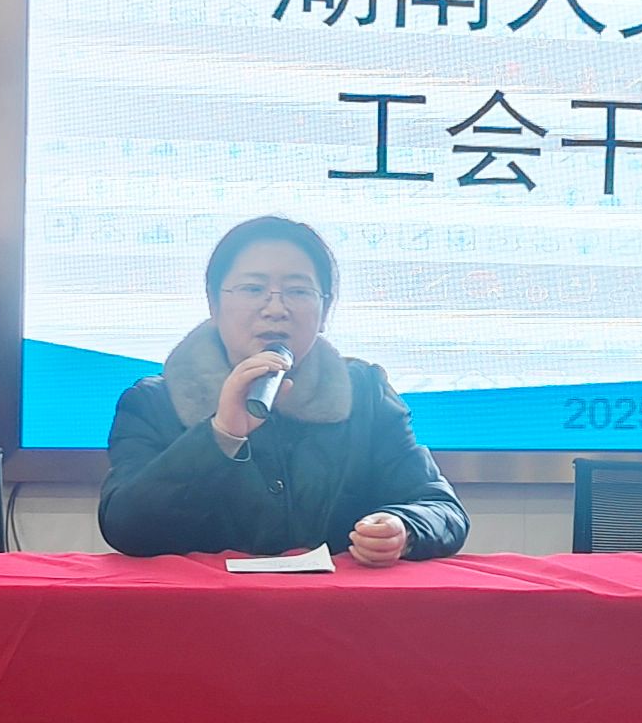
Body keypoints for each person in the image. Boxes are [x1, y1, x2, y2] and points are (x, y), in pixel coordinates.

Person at [99, 216, 468, 564]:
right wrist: (220, 435)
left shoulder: (365, 394)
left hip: (335, 606)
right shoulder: (154, 403)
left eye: (298, 291)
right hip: (208, 607)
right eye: (253, 289)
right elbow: (126, 528)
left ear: (325, 310)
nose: (275, 308)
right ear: (214, 302)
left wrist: (403, 528)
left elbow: (440, 508)